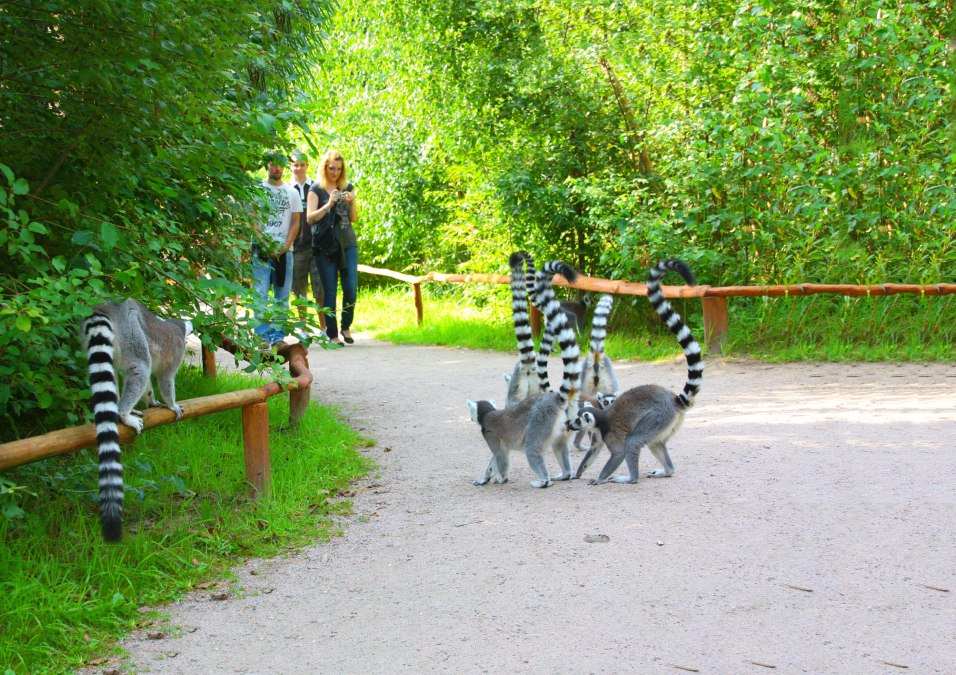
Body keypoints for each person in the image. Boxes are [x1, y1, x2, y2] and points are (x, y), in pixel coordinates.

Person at [307, 149, 359, 346]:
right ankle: (332, 333)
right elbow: (310, 218)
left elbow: (353, 218)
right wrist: (328, 204)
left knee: (351, 288)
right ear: (324, 168)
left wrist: (352, 202)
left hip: (348, 244)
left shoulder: (347, 187)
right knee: (330, 291)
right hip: (325, 246)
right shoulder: (316, 189)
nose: (335, 172)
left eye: (338, 169)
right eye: (331, 168)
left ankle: (346, 326)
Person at [252, 152, 300, 345]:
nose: (277, 168)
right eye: (273, 164)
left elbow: (296, 223)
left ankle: (279, 336)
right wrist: (263, 242)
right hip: (261, 249)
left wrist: (286, 245)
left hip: (284, 251)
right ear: (267, 165)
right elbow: (253, 219)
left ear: (285, 167)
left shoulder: (292, 192)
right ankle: (263, 335)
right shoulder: (258, 189)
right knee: (260, 292)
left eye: (280, 165)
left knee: (282, 294)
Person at [287, 150, 326, 332]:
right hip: (297, 247)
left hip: (317, 245)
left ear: (307, 166)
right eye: (295, 164)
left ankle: (324, 328)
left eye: (302, 164)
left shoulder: (316, 187)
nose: (299, 168)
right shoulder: (287, 189)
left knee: (321, 289)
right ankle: (302, 328)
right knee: (299, 289)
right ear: (290, 166)